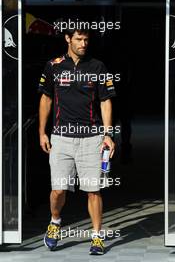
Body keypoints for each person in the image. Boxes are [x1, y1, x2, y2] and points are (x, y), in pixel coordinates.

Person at [38, 25, 116, 255]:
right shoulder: (54, 66)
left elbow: (105, 101)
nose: (83, 44)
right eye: (79, 39)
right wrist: (42, 132)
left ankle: (97, 237)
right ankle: (54, 222)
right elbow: (46, 99)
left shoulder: (97, 66)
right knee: (59, 190)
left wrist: (108, 134)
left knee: (94, 190)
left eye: (86, 40)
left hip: (91, 139)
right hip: (61, 138)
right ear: (68, 39)